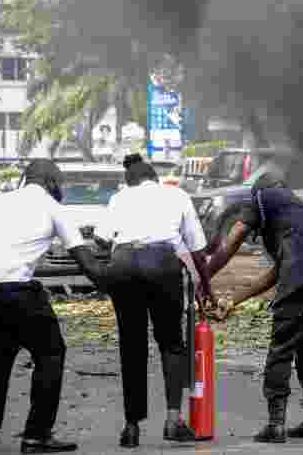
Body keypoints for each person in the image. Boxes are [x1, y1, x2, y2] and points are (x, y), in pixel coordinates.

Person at [204, 166, 303, 443]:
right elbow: (279, 271)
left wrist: (205, 277)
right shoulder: (302, 212)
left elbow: (234, 238)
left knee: (282, 348)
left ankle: (275, 424)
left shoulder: (264, 197)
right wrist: (233, 300)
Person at [0, 159, 108, 453]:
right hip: (16, 290)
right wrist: (118, 283)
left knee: (3, 348)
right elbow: (88, 264)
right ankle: (36, 435)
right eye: (61, 184)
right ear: (52, 182)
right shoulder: (54, 209)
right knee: (51, 352)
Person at [95, 154, 213, 448]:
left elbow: (100, 238)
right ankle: (173, 421)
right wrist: (205, 286)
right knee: (171, 342)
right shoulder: (177, 195)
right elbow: (198, 248)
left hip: (123, 265)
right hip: (162, 264)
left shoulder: (118, 198)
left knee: (131, 344)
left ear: (129, 181)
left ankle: (131, 426)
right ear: (154, 178)